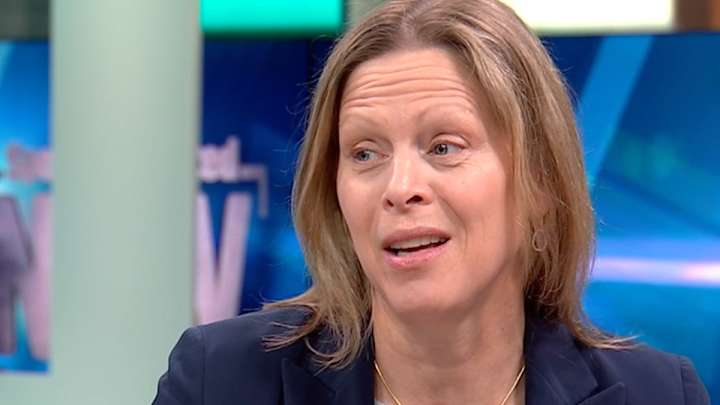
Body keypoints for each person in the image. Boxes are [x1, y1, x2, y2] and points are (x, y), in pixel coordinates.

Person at [152, 0, 711, 404]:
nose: (400, 188)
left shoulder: (660, 394)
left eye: (444, 147)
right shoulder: (219, 381)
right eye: (365, 153)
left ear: (539, 182)